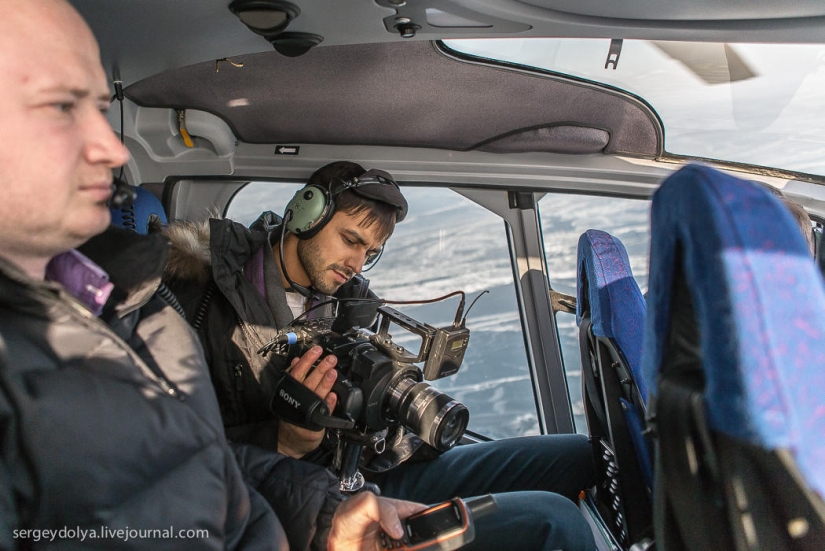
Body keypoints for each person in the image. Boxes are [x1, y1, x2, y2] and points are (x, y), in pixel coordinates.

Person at [0, 1, 427, 549]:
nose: (110, 149)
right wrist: (287, 444)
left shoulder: (130, 302)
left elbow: (202, 471)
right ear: (306, 214)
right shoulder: (184, 294)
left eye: (102, 110)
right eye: (61, 106)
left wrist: (327, 517)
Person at [163, 161, 599, 550]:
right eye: (350, 240)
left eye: (369, 253)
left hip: (372, 466)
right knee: (554, 521)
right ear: (306, 214)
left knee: (581, 454)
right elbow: (170, 452)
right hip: (302, 498)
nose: (356, 262)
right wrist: (284, 441)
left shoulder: (351, 306)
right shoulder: (205, 300)